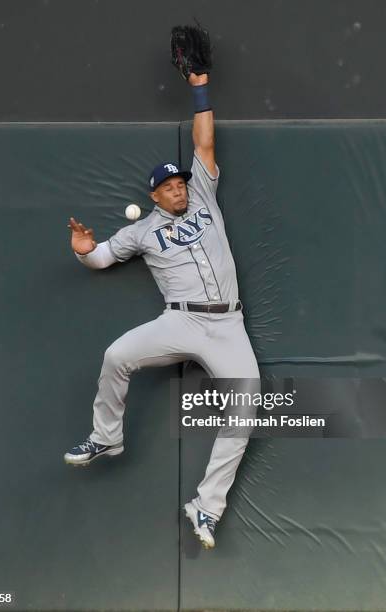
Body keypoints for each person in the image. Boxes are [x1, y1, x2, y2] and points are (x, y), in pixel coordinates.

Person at [65, 71, 260, 549]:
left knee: (247, 410)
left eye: (180, 182)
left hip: (228, 323)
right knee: (116, 356)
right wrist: (83, 250)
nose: (179, 188)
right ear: (154, 195)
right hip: (181, 320)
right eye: (169, 186)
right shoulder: (140, 231)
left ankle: (205, 507)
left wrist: (200, 88)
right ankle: (105, 436)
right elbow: (102, 259)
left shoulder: (205, 198)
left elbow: (205, 143)